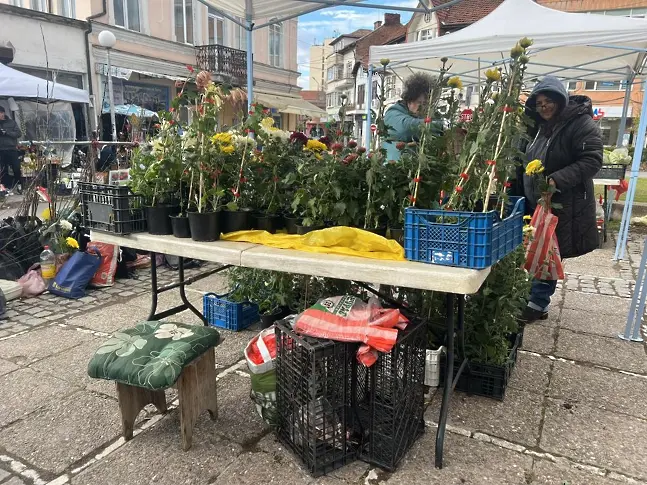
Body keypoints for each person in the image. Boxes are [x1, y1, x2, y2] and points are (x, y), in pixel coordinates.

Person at [519, 75, 603, 323]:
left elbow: (592, 160)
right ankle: (531, 296)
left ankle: (538, 303)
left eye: (549, 101)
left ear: (560, 100)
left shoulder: (579, 123)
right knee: (536, 249)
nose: (544, 107)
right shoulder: (539, 127)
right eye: (539, 103)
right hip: (537, 201)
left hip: (563, 202)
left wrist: (556, 179)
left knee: (548, 250)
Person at [382, 73, 442, 161]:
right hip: (395, 169)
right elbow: (406, 128)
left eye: (428, 104)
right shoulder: (393, 113)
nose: (424, 108)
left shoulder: (427, 115)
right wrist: (438, 126)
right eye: (420, 103)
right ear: (409, 100)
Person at [0, 106, 23, 191]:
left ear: (3, 113)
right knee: (2, 169)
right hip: (1, 150)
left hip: (11, 149)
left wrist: (6, 132)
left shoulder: (11, 123)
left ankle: (19, 184)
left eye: (0, 113)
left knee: (16, 167)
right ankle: (5, 187)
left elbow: (18, 134)